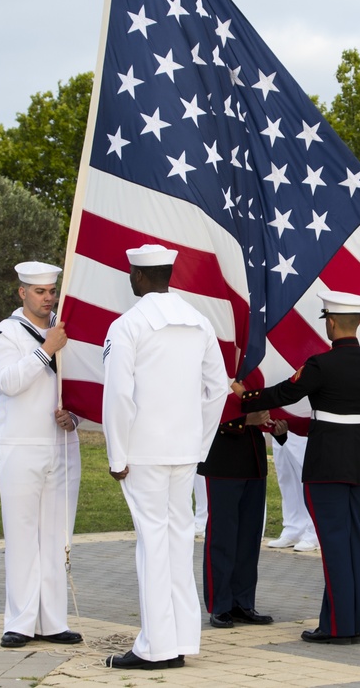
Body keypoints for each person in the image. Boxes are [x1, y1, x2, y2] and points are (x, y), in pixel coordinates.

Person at [103, 245, 229, 671]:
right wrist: (201, 442)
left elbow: (119, 396)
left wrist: (116, 452)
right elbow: (217, 389)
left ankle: (154, 647)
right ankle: (178, 640)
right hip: (183, 451)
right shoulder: (199, 322)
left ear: (139, 277)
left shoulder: (128, 325)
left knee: (152, 545)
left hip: (143, 452)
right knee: (177, 541)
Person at [239, 290, 360, 645]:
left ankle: (337, 627)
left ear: (331, 323)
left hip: (327, 463)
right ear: (358, 323)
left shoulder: (322, 364)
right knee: (358, 542)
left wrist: (244, 396)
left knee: (335, 543)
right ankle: (354, 623)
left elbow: (285, 394)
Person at [0, 261, 82, 649]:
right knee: (23, 535)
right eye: (39, 292)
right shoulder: (4, 333)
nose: (48, 298)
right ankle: (20, 622)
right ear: (21, 292)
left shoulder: (67, 329)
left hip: (61, 444)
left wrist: (73, 415)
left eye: (51, 291)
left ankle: (53, 620)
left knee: (57, 535)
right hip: (19, 446)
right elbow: (9, 382)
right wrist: (47, 350)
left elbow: (80, 384)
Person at [199, 392, 281, 629]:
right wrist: (243, 420)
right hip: (223, 460)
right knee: (222, 537)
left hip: (253, 461)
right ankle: (220, 605)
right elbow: (204, 409)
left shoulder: (250, 371)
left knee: (249, 537)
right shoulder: (214, 366)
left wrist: (274, 425)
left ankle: (242, 602)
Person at [267, 432, 319, 551]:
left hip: (301, 421)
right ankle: (293, 528)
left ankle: (313, 532)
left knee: (304, 473)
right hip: (279, 420)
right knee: (285, 475)